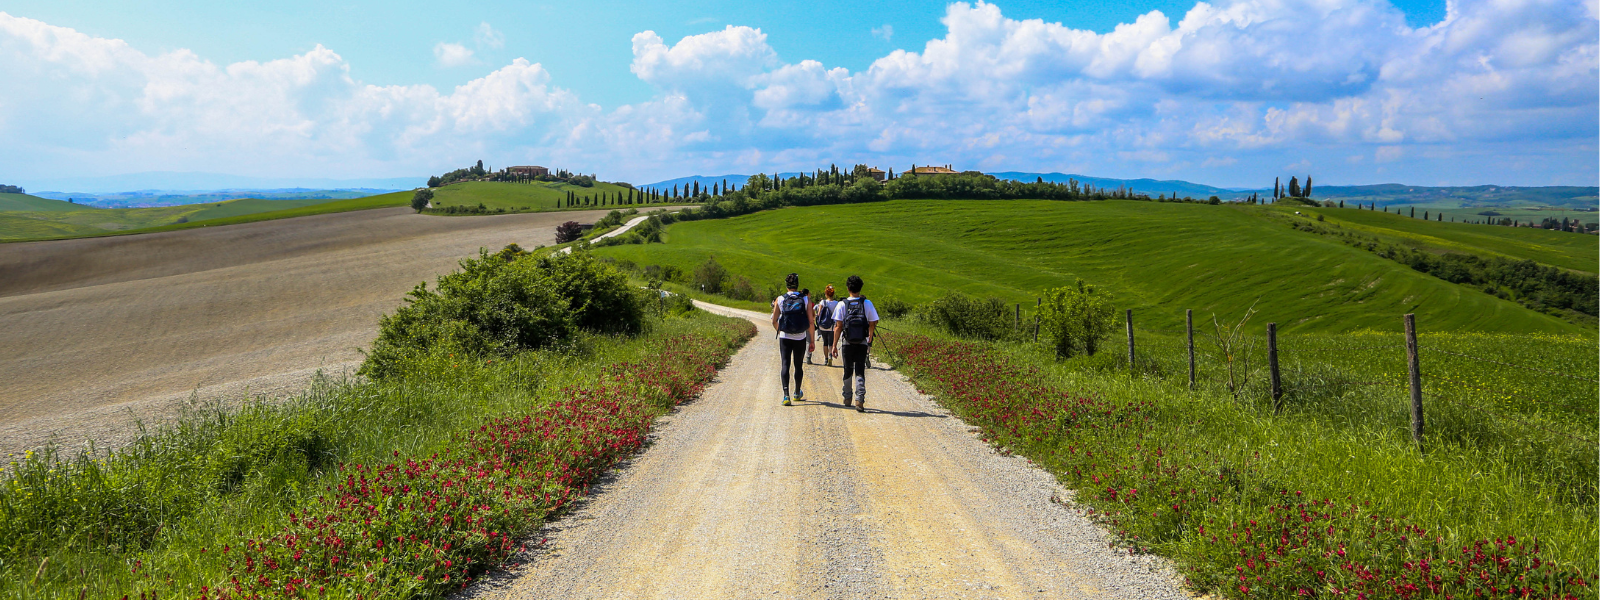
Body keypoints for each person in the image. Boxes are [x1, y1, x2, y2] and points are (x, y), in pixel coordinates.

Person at [830, 275, 878, 412]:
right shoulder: (866, 303)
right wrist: (870, 335)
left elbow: (838, 326)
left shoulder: (842, 304)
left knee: (847, 369)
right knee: (860, 370)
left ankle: (847, 397)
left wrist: (834, 345)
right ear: (860, 288)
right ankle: (860, 399)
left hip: (847, 342)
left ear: (848, 288)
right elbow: (873, 321)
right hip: (862, 342)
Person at [770, 273, 814, 406]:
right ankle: (796, 392)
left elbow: (774, 320)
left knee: (785, 364)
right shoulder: (805, 299)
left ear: (786, 285)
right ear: (797, 284)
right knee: (798, 365)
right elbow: (811, 322)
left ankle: (785, 396)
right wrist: (811, 340)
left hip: (785, 337)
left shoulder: (781, 299)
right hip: (800, 337)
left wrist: (781, 329)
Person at [811, 285, 839, 366]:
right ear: (833, 294)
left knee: (825, 342)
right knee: (831, 342)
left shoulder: (822, 302)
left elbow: (819, 314)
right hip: (832, 325)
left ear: (826, 294)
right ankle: (830, 356)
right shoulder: (836, 303)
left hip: (823, 325)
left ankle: (826, 359)